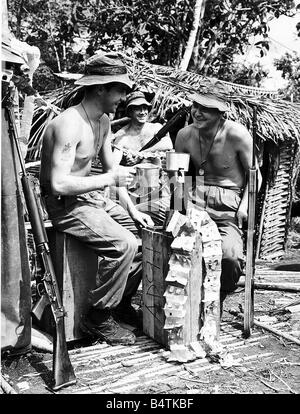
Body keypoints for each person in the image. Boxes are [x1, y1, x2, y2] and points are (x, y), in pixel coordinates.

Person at [39, 53, 154, 346]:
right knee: (124, 244)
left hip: (91, 198)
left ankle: (121, 302)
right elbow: (59, 183)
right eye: (120, 90)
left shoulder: (103, 121)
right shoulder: (69, 124)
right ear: (101, 88)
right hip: (65, 204)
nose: (124, 98)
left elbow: (112, 171)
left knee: (146, 233)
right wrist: (109, 181)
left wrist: (131, 209)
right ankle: (98, 318)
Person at [175, 89, 262, 313]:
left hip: (228, 202)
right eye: (196, 106)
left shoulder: (237, 134)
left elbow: (256, 176)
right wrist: (177, 210)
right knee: (180, 250)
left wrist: (244, 207)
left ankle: (220, 295)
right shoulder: (184, 135)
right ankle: (187, 299)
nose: (197, 112)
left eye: (206, 109)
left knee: (230, 257)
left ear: (220, 113)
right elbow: (177, 176)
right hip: (196, 199)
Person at [112, 90, 173, 225]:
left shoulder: (156, 128)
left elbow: (167, 145)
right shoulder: (122, 137)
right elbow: (113, 167)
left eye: (145, 108)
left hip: (160, 187)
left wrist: (140, 154)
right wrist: (133, 166)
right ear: (130, 112)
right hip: (136, 190)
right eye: (138, 109)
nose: (143, 112)